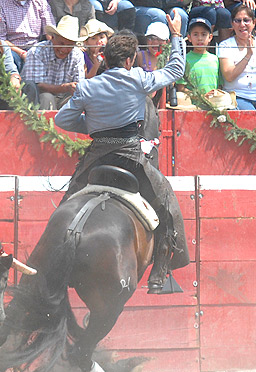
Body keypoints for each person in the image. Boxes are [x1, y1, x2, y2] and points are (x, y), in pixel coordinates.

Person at [53, 14, 190, 294]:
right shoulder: (138, 78)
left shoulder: (88, 86)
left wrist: (92, 127)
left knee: (65, 207)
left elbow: (62, 120)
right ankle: (159, 274)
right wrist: (176, 35)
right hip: (131, 158)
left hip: (96, 158)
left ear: (106, 59)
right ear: (129, 61)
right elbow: (176, 69)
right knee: (167, 204)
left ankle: (52, 264)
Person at [21, 15, 87, 110]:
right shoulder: (37, 51)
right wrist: (64, 88)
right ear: (52, 38)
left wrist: (73, 88)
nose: (64, 49)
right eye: (61, 44)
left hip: (64, 98)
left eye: (69, 46)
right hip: (38, 101)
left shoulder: (77, 55)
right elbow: (36, 86)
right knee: (46, 97)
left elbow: (79, 84)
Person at [0, 0, 58, 71]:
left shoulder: (41, 2)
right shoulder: (0, 4)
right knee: (8, 59)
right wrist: (22, 53)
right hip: (12, 49)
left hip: (36, 47)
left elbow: (50, 32)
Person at [218, 5, 256, 109]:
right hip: (237, 96)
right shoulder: (226, 45)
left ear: (254, 22)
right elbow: (229, 76)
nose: (242, 24)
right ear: (232, 24)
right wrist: (248, 55)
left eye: (246, 20)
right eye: (237, 21)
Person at [176, 17, 219, 95]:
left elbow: (219, 85)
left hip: (213, 101)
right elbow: (181, 88)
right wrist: (201, 96)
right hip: (192, 102)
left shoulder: (215, 59)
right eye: (195, 34)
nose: (199, 38)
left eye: (203, 34)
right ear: (189, 38)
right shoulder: (185, 60)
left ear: (210, 37)